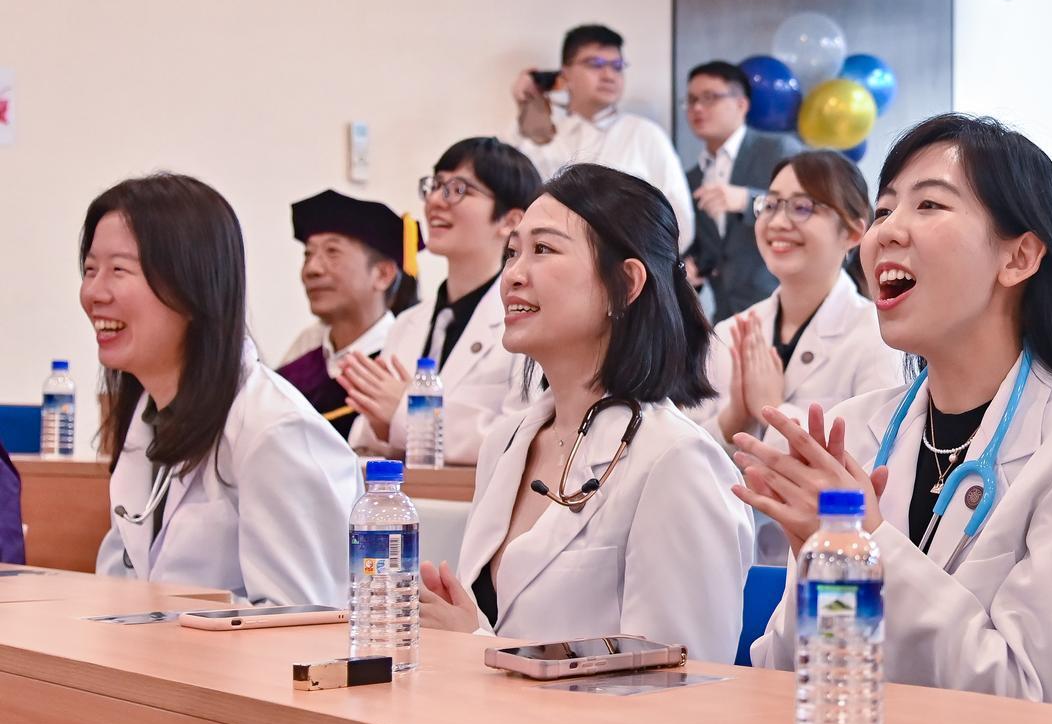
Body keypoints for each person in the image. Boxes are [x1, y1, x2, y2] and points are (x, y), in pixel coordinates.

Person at [740, 115, 1052, 713]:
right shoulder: (856, 432)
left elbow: (1043, 701)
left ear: (1019, 257)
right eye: (886, 209)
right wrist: (823, 564)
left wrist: (866, 544)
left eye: (930, 205)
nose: (887, 232)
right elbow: (784, 677)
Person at [415, 164, 753, 661]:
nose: (513, 275)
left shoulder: (677, 460)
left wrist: (474, 646)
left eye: (543, 250)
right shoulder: (508, 442)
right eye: (512, 252)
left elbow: (681, 682)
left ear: (626, 282)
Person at [85, 174, 360, 606]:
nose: (93, 292)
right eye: (89, 269)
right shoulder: (148, 419)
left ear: (192, 283)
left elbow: (307, 624)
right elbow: (119, 587)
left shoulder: (276, 430)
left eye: (119, 269)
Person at [691, 150, 903, 559]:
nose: (778, 221)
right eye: (770, 204)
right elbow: (686, 464)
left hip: (832, 568)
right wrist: (734, 418)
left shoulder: (877, 338)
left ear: (854, 232)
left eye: (803, 207)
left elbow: (872, 477)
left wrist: (773, 409)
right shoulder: (731, 333)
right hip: (730, 564)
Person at [345, 138, 541, 466]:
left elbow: (523, 439)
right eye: (434, 186)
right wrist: (387, 424)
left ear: (510, 221)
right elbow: (365, 439)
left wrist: (409, 417)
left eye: (458, 189)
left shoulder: (528, 321)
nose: (435, 200)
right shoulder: (407, 324)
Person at [511, 23, 694, 252]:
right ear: (565, 74)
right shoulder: (538, 135)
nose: (609, 75)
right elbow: (507, 201)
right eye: (595, 64)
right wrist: (527, 108)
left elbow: (681, 223)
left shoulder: (645, 135)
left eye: (617, 66)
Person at [276, 189, 419, 439]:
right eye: (308, 254)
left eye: (332, 252)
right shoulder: (296, 366)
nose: (312, 269)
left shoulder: (410, 360)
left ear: (383, 274)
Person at [684, 59, 803, 321]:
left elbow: (815, 208)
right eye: (691, 100)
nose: (697, 108)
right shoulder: (691, 177)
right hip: (726, 318)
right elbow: (710, 249)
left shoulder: (779, 150)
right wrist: (689, 267)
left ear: (741, 104)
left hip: (786, 310)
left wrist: (748, 201)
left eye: (709, 97)